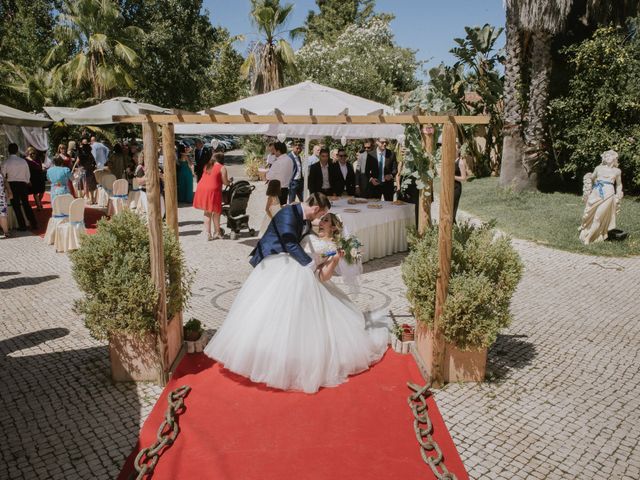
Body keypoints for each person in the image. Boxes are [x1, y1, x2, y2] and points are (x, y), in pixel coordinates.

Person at [204, 199, 390, 394]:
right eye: (321, 217)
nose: (320, 221)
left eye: (325, 220)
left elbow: (322, 275)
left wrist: (334, 260)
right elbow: (290, 237)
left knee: (297, 324)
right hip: (285, 269)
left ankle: (290, 361)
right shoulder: (306, 226)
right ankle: (264, 354)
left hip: (303, 276)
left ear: (334, 228)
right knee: (267, 314)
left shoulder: (330, 248)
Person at [579, 150, 624, 244]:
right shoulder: (598, 168)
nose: (607, 157)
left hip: (608, 194)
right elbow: (592, 178)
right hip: (596, 193)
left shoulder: (617, 171)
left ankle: (588, 239)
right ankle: (586, 231)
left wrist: (619, 193)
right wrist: (594, 186)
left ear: (614, 158)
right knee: (588, 214)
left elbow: (619, 184)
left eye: (609, 156)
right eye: (605, 156)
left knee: (598, 217)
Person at [193, 152, 231, 240]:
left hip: (202, 188)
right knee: (216, 212)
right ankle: (217, 232)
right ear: (221, 159)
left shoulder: (207, 166)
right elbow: (225, 182)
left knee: (207, 212)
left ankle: (208, 234)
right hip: (213, 190)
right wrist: (230, 182)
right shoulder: (222, 167)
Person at [2, 143, 37, 231]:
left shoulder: (6, 162)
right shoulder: (23, 161)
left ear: (8, 151)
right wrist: (26, 181)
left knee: (16, 206)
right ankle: (34, 223)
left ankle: (22, 225)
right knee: (26, 204)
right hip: (23, 184)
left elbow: (2, 175)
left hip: (12, 184)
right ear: (17, 151)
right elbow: (27, 174)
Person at [453, 150, 468, 223]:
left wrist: (452, 177)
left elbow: (464, 178)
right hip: (450, 188)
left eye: (454, 149)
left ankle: (454, 229)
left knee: (452, 211)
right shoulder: (451, 160)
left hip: (456, 188)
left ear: (458, 150)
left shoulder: (460, 162)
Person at [0, 170, 12, 238]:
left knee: (3, 215)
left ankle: (6, 232)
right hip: (1, 196)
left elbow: (5, 181)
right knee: (3, 215)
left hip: (1, 197)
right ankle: (6, 232)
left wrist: (10, 191)